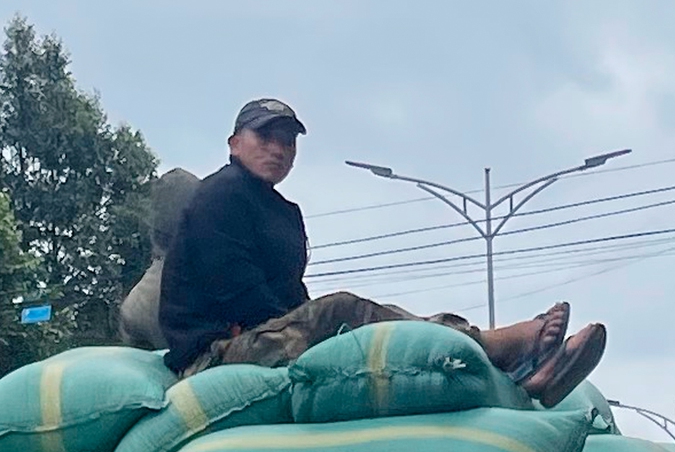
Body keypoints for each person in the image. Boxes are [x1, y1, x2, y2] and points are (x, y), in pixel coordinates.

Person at [158, 97, 607, 403]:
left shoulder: (283, 212)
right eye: (265, 137)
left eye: (288, 141)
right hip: (214, 356)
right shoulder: (221, 195)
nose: (278, 149)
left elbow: (290, 295)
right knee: (342, 313)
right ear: (234, 143)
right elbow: (237, 290)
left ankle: (518, 373)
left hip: (263, 336)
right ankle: (491, 345)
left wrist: (303, 321)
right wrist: (309, 324)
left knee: (365, 325)